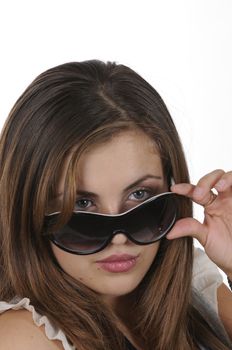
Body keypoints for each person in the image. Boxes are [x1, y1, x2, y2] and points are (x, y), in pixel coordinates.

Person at [0, 60, 231, 350]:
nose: (119, 236)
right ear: (29, 211)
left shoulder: (191, 285)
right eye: (82, 204)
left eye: (140, 196)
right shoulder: (24, 337)